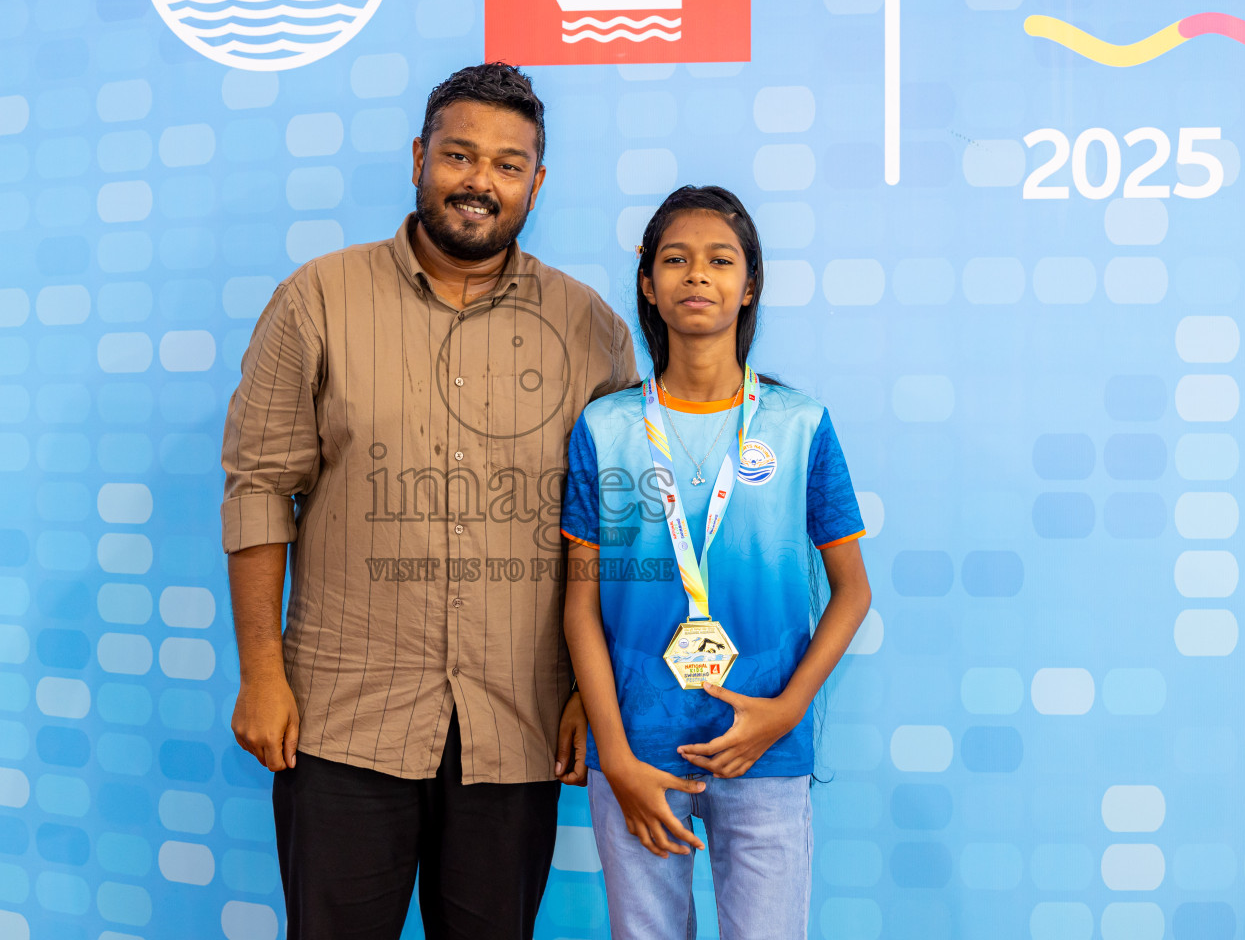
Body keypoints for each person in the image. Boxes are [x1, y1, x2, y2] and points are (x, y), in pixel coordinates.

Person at [220, 63, 640, 940]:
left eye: (508, 164)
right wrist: (262, 673)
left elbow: (607, 527)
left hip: (516, 723)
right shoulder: (318, 301)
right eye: (459, 155)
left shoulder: (591, 329)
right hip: (341, 721)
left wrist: (586, 693)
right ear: (419, 156)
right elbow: (261, 488)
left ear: (537, 182)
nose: (480, 182)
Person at [560, 186, 874, 939]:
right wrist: (616, 754)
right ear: (648, 283)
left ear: (750, 283)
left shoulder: (801, 425)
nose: (696, 275)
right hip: (638, 755)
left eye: (719, 260)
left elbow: (853, 592)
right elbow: (578, 606)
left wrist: (787, 709)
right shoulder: (605, 429)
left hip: (765, 748)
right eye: (675, 259)